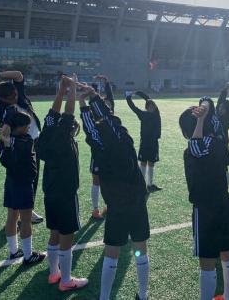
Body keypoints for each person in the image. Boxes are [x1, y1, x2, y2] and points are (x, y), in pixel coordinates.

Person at [79, 85, 150, 300]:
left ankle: (105, 297)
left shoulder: (99, 145)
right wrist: (93, 97)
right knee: (140, 248)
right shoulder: (124, 137)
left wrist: (82, 104)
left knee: (112, 252)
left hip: (116, 204)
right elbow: (108, 119)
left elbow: (91, 129)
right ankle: (143, 295)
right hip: (136, 200)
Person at [179, 99, 229, 300]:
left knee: (207, 261)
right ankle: (228, 297)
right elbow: (227, 158)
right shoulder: (218, 143)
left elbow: (196, 146)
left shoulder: (192, 149)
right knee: (228, 253)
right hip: (224, 203)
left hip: (205, 209)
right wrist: (205, 114)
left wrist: (200, 119)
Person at [36, 75, 89, 291]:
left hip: (50, 189)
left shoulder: (47, 132)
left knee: (55, 232)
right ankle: (66, 280)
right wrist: (72, 88)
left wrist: (61, 90)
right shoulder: (64, 138)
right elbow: (68, 112)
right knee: (67, 235)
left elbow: (54, 112)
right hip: (66, 191)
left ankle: (53, 273)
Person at [0, 71, 43, 224]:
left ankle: (28, 210)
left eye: (15, 94)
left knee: (33, 177)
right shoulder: (0, 108)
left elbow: (19, 75)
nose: (15, 98)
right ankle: (16, 213)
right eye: (11, 97)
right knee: (17, 178)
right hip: (17, 148)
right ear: (2, 98)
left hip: (34, 143)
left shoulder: (18, 94)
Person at [0, 111, 45, 265]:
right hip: (23, 184)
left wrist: (6, 139)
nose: (29, 127)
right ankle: (28, 256)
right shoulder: (26, 140)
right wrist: (7, 140)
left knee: (12, 217)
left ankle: (13, 251)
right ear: (18, 127)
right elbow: (9, 159)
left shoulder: (5, 141)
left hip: (11, 182)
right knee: (25, 220)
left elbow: (3, 157)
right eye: (26, 125)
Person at [126, 90, 162, 192]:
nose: (152, 108)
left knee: (151, 163)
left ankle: (150, 185)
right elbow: (133, 107)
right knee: (143, 163)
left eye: (153, 106)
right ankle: (141, 185)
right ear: (146, 107)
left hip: (154, 143)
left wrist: (138, 92)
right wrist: (128, 97)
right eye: (149, 106)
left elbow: (147, 98)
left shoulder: (156, 113)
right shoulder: (142, 114)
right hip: (145, 143)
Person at [89, 75, 113, 219]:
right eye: (105, 105)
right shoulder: (95, 117)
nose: (108, 107)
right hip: (98, 153)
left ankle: (109, 205)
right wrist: (93, 84)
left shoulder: (112, 118)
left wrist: (106, 82)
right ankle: (95, 209)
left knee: (109, 180)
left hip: (111, 154)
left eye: (109, 105)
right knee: (96, 181)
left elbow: (109, 96)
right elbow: (92, 99)